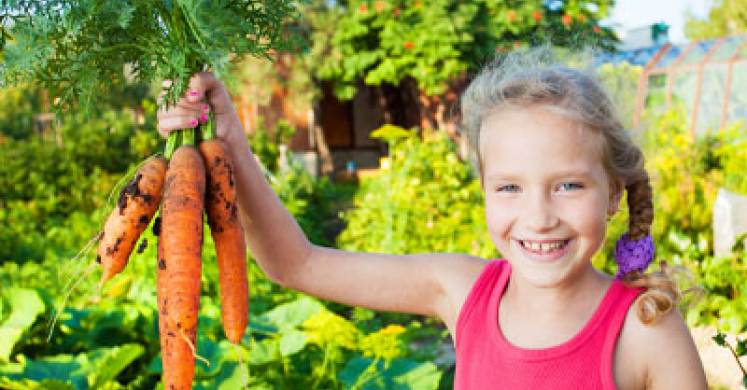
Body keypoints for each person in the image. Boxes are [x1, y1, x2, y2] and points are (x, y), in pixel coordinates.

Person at [156, 48, 709, 389]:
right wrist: (228, 137)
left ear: (613, 193)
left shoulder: (645, 333)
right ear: (486, 190)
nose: (538, 217)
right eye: (510, 187)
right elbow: (295, 263)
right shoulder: (462, 291)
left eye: (568, 185)